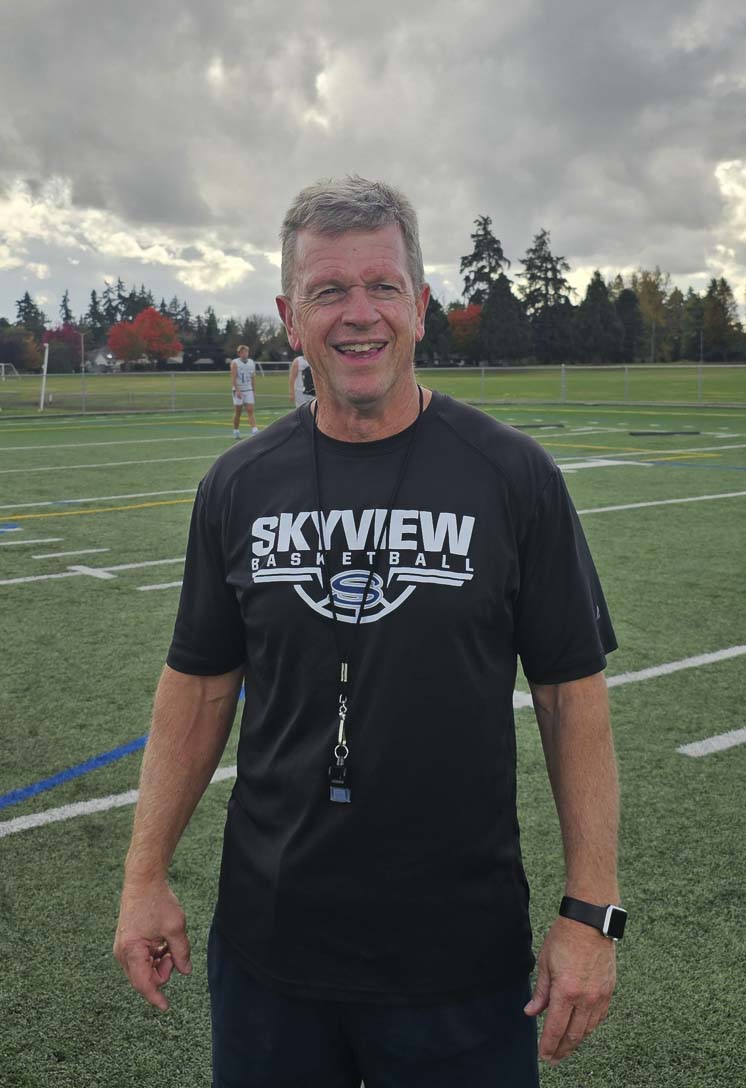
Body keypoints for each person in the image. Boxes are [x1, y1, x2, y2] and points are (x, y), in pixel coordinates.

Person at [114, 177, 624, 1087]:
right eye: (329, 290)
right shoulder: (237, 487)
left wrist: (591, 913)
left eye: (384, 287)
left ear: (421, 308)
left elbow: (569, 695)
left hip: (460, 962)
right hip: (271, 953)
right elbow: (197, 686)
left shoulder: (513, 478)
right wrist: (143, 874)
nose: (361, 315)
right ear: (289, 316)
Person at [230, 344, 259, 438]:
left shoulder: (251, 362)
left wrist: (254, 390)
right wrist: (237, 390)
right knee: (238, 412)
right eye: (243, 352)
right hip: (239, 390)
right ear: (239, 353)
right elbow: (233, 378)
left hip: (248, 389)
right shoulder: (235, 363)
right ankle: (236, 430)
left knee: (250, 410)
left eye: (246, 351)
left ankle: (254, 430)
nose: (245, 354)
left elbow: (253, 377)